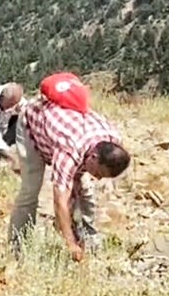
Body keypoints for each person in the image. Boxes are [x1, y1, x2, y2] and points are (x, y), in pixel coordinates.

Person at [10, 83, 132, 261]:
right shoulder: (70, 150)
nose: (97, 177)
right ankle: (17, 247)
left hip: (65, 132)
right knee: (31, 189)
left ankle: (88, 237)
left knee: (86, 188)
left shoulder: (113, 139)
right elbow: (60, 199)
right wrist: (70, 245)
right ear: (93, 157)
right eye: (98, 173)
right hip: (32, 125)